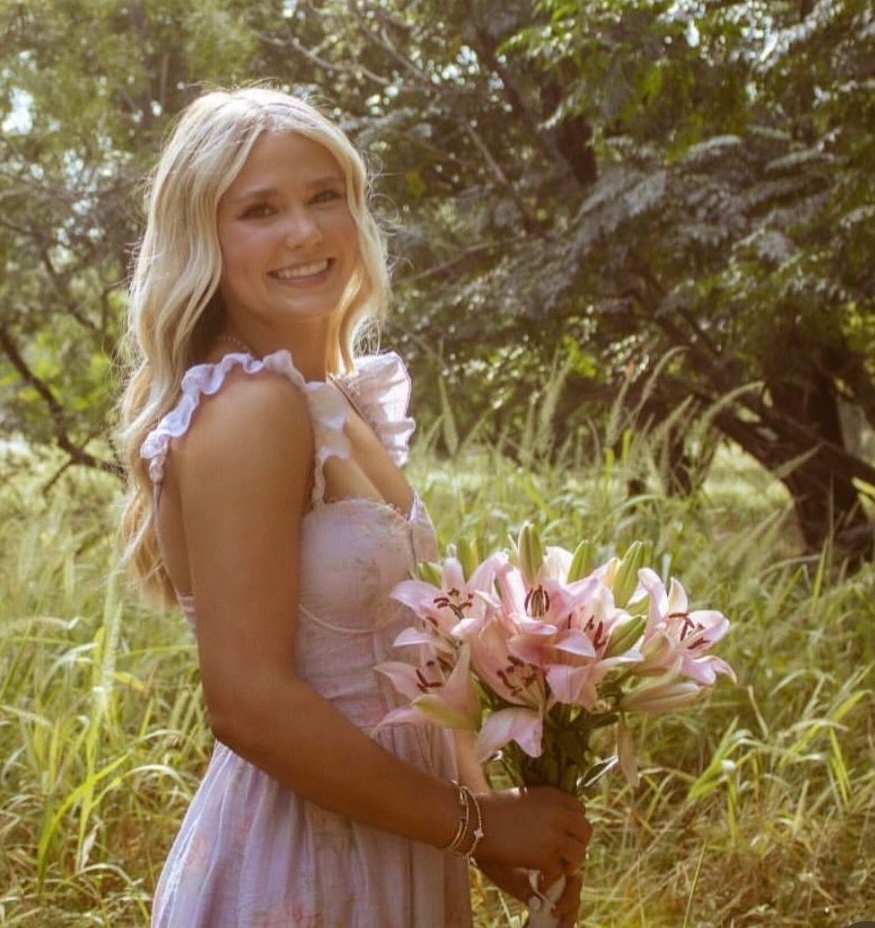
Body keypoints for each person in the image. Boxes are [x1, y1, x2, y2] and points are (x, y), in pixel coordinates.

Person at [114, 86, 590, 927]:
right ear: (203, 239)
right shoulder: (250, 408)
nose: (303, 230)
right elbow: (249, 705)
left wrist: (505, 844)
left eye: (323, 195)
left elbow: (416, 672)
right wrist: (478, 829)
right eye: (259, 209)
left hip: (402, 837)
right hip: (305, 859)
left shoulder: (335, 396)